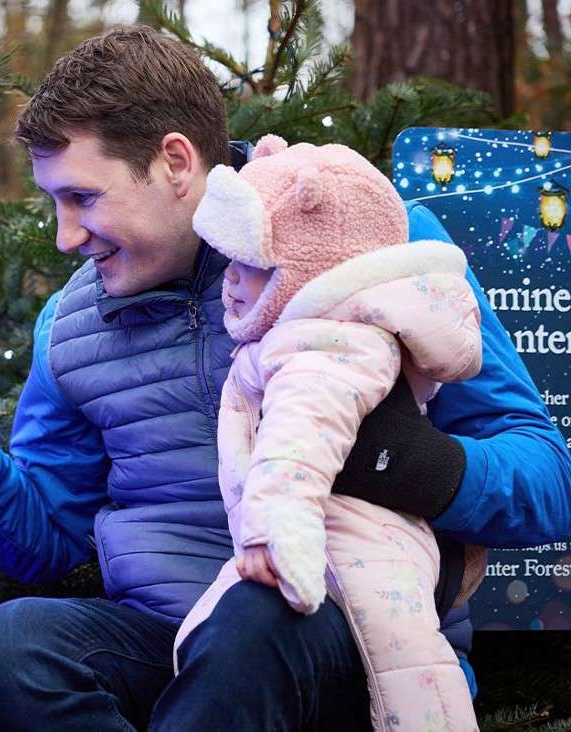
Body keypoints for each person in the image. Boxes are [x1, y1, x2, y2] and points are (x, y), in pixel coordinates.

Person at [0, 25, 571, 730]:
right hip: (168, 638)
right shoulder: (69, 326)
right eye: (54, 202)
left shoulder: (372, 243)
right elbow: (50, 541)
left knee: (253, 623)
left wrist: (414, 464)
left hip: (353, 635)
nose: (64, 235)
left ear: (174, 161)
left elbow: (548, 477)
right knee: (11, 649)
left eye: (83, 197)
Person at [176, 134, 484, 731]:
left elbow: (301, 440)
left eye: (254, 267)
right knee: (213, 640)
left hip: (355, 544)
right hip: (326, 535)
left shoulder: (327, 343)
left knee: (410, 674)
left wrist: (273, 532)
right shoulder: (304, 332)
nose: (231, 282)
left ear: (316, 265)